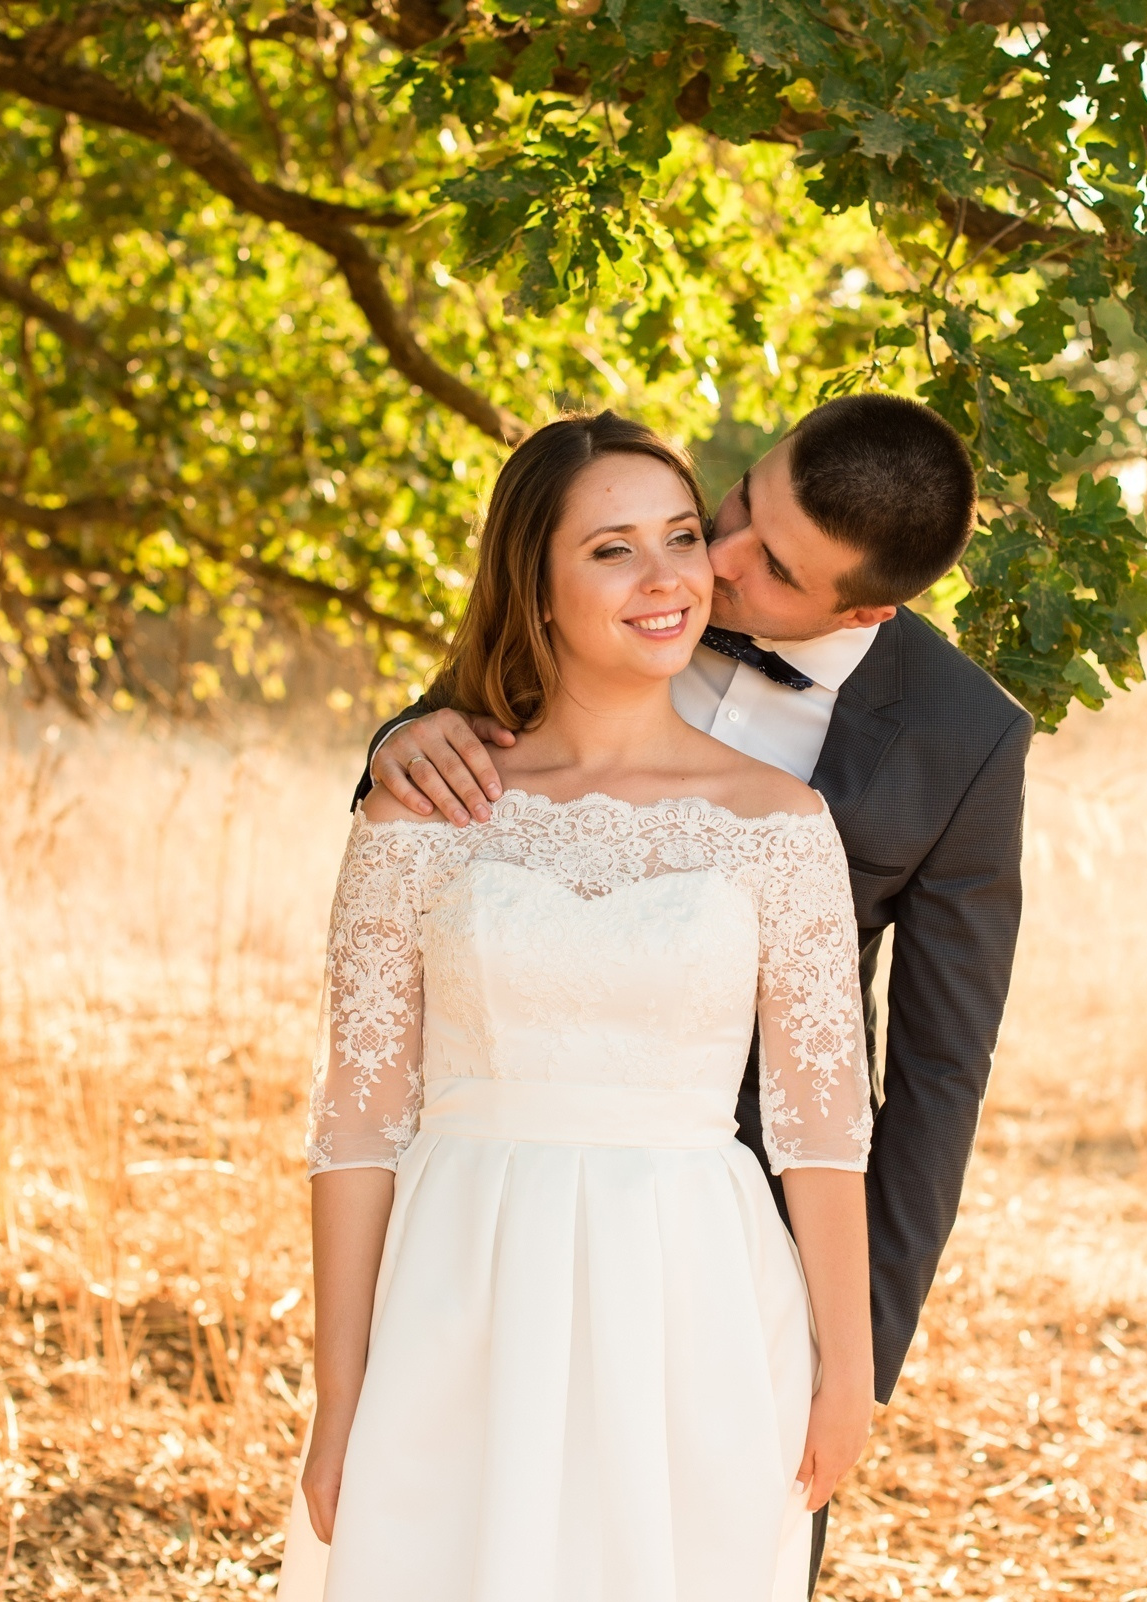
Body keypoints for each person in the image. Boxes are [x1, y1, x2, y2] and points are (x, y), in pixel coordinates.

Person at [359, 394, 1034, 1586]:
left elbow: (935, 1078)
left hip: (726, 1243)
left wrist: (852, 1363)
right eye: (734, 507)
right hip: (495, 1209)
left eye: (770, 566)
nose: (713, 565)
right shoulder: (645, 564)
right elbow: (491, 700)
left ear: (866, 607)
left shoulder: (961, 741)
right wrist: (398, 741)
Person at [282, 412, 875, 1602]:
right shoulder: (419, 813)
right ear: (535, 585)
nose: (668, 578)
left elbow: (820, 1130)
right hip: (464, 1280)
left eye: (680, 536)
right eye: (612, 549)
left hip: (693, 1289)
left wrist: (846, 1371)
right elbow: (356, 1126)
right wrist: (340, 1397)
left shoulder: (784, 826)